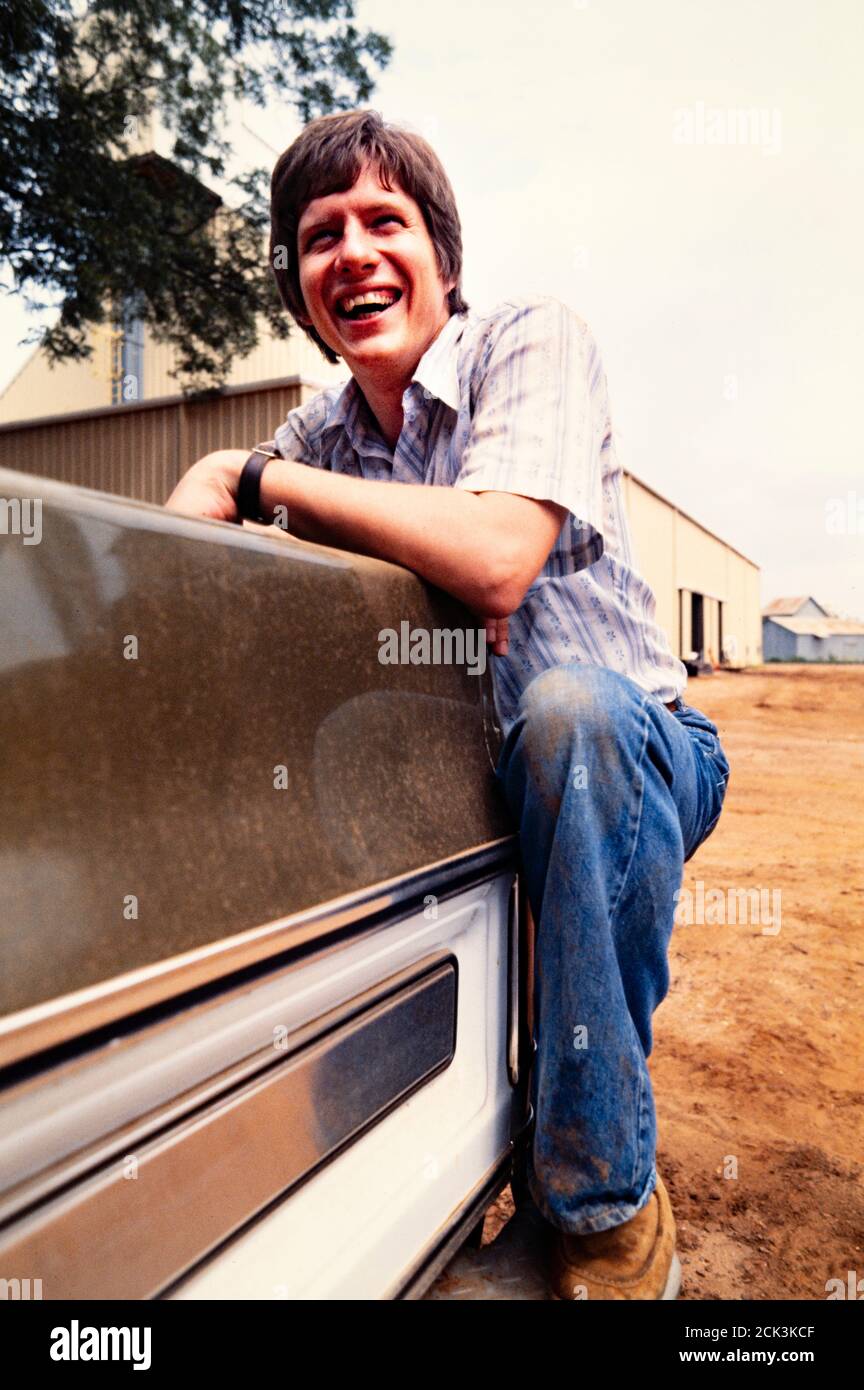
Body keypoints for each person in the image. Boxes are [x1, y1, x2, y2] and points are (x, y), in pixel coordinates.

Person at [166, 108, 731, 1300]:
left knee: (570, 716)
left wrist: (261, 481)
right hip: (462, 767)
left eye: (386, 221)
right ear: (299, 286)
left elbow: (493, 559)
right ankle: (392, 1147)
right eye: (320, 236)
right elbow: (187, 575)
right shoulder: (323, 431)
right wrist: (220, 489)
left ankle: (602, 1201)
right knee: (324, 739)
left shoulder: (527, 341)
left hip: (631, 748)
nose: (354, 254)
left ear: (445, 259)